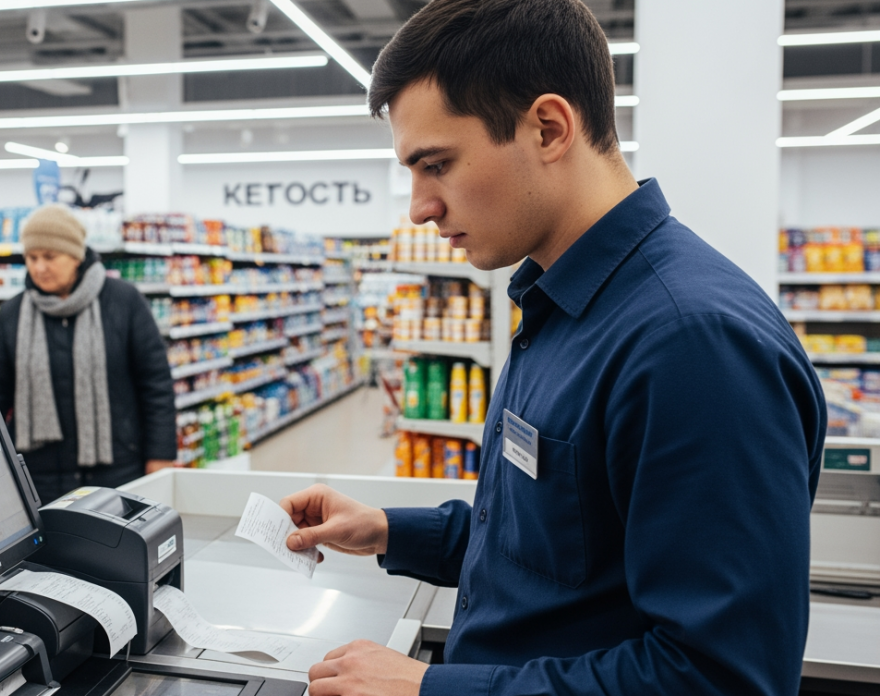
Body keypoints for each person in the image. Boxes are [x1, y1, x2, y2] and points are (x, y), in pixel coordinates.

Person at [279, 1, 826, 695]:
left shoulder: (692, 345)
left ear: (548, 127)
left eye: (437, 164)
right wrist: (390, 529)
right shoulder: (555, 303)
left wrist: (428, 690)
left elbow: (721, 678)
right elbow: (557, 546)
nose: (418, 206)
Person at [0, 204, 177, 502]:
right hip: (39, 475)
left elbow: (156, 384)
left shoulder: (124, 302)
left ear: (75, 255)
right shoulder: (13, 313)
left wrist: (160, 455)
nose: (39, 267)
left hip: (117, 468)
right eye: (32, 257)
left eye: (50, 257)